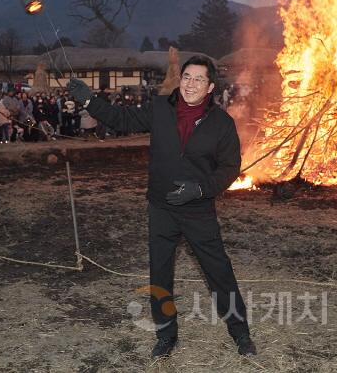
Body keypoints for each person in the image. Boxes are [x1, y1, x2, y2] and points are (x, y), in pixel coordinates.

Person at [68, 55, 256, 359]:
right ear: (179, 80)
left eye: (199, 79)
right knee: (160, 274)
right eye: (187, 77)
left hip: (198, 209)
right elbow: (122, 119)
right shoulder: (159, 109)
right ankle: (166, 335)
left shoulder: (221, 123)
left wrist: (200, 188)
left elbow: (229, 167)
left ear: (210, 87)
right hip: (161, 208)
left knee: (219, 272)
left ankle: (241, 333)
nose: (191, 84)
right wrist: (90, 100)